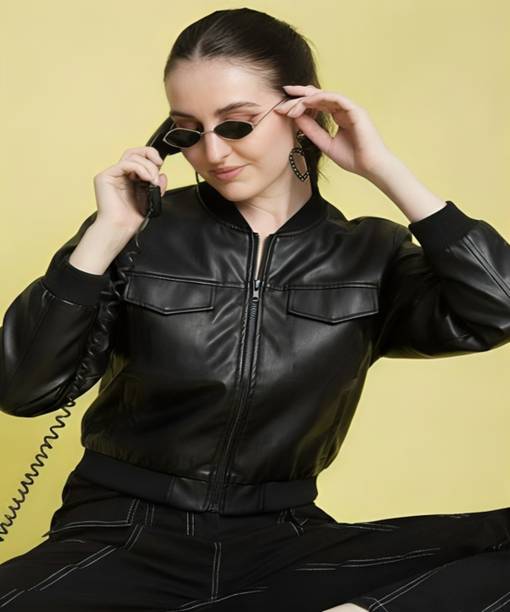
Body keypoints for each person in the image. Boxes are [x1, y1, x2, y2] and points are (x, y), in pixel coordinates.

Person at [1, 7, 510, 612]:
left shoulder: (371, 253)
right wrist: (104, 237)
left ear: (301, 115)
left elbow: (497, 307)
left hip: (282, 544)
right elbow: (23, 389)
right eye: (187, 131)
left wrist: (384, 170)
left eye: (237, 124)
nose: (212, 152)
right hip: (124, 535)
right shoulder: (138, 232)